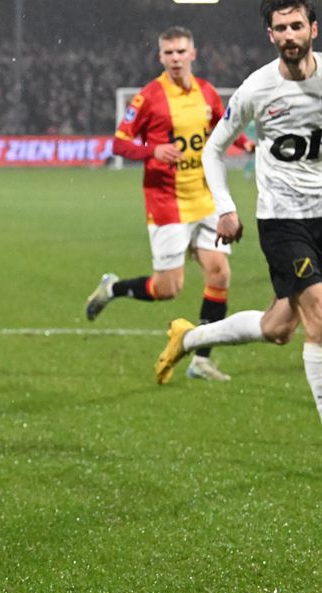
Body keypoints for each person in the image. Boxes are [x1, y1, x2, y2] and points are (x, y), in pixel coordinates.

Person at [155, 0, 322, 425]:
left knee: (278, 328)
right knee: (318, 312)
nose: (289, 35)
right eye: (280, 28)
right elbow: (213, 149)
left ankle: (191, 337)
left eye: (296, 26)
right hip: (284, 221)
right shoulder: (257, 88)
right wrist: (225, 208)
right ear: (270, 35)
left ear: (313, 29)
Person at [85, 27, 253, 381]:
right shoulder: (148, 98)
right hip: (166, 202)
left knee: (220, 273)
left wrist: (245, 145)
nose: (175, 58)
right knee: (168, 289)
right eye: (168, 53)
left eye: (181, 51)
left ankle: (202, 359)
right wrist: (152, 151)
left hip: (205, 197)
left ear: (193, 53)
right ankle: (112, 288)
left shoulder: (207, 92)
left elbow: (221, 129)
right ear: (160, 57)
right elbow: (119, 144)